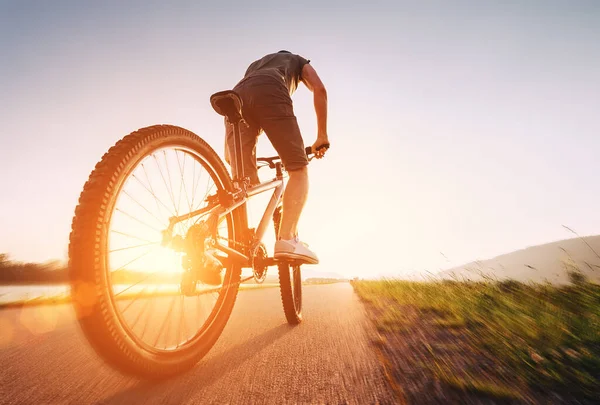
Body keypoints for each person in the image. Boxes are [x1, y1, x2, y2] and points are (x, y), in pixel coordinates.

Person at [224, 50, 329, 264]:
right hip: (270, 89)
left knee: (241, 184)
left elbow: (251, 99)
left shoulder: (254, 65)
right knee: (298, 169)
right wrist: (322, 136)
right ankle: (287, 239)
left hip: (236, 94)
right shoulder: (297, 61)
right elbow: (320, 89)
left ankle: (224, 241)